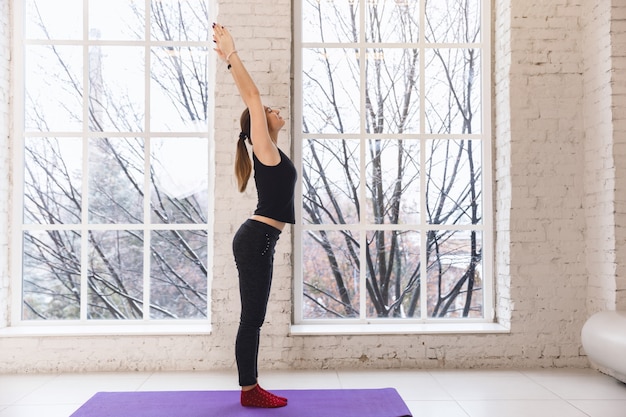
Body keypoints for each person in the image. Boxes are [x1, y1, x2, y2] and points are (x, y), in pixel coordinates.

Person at [212, 23, 296, 409]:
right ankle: (250, 390)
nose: (277, 111)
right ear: (258, 126)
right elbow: (252, 94)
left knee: (254, 316)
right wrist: (231, 54)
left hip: (261, 239)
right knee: (253, 318)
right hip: (257, 239)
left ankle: (250, 387)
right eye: (269, 113)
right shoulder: (262, 147)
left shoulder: (273, 155)